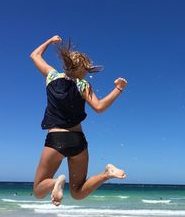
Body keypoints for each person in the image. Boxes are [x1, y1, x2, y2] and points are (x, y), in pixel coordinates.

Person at [30, 35, 127, 206]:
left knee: (38, 189)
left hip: (56, 140)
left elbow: (35, 56)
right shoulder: (83, 85)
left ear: (66, 64)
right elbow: (99, 107)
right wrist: (118, 89)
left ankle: (56, 182)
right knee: (78, 192)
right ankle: (106, 174)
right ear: (83, 70)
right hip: (77, 141)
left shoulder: (52, 77)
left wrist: (50, 41)